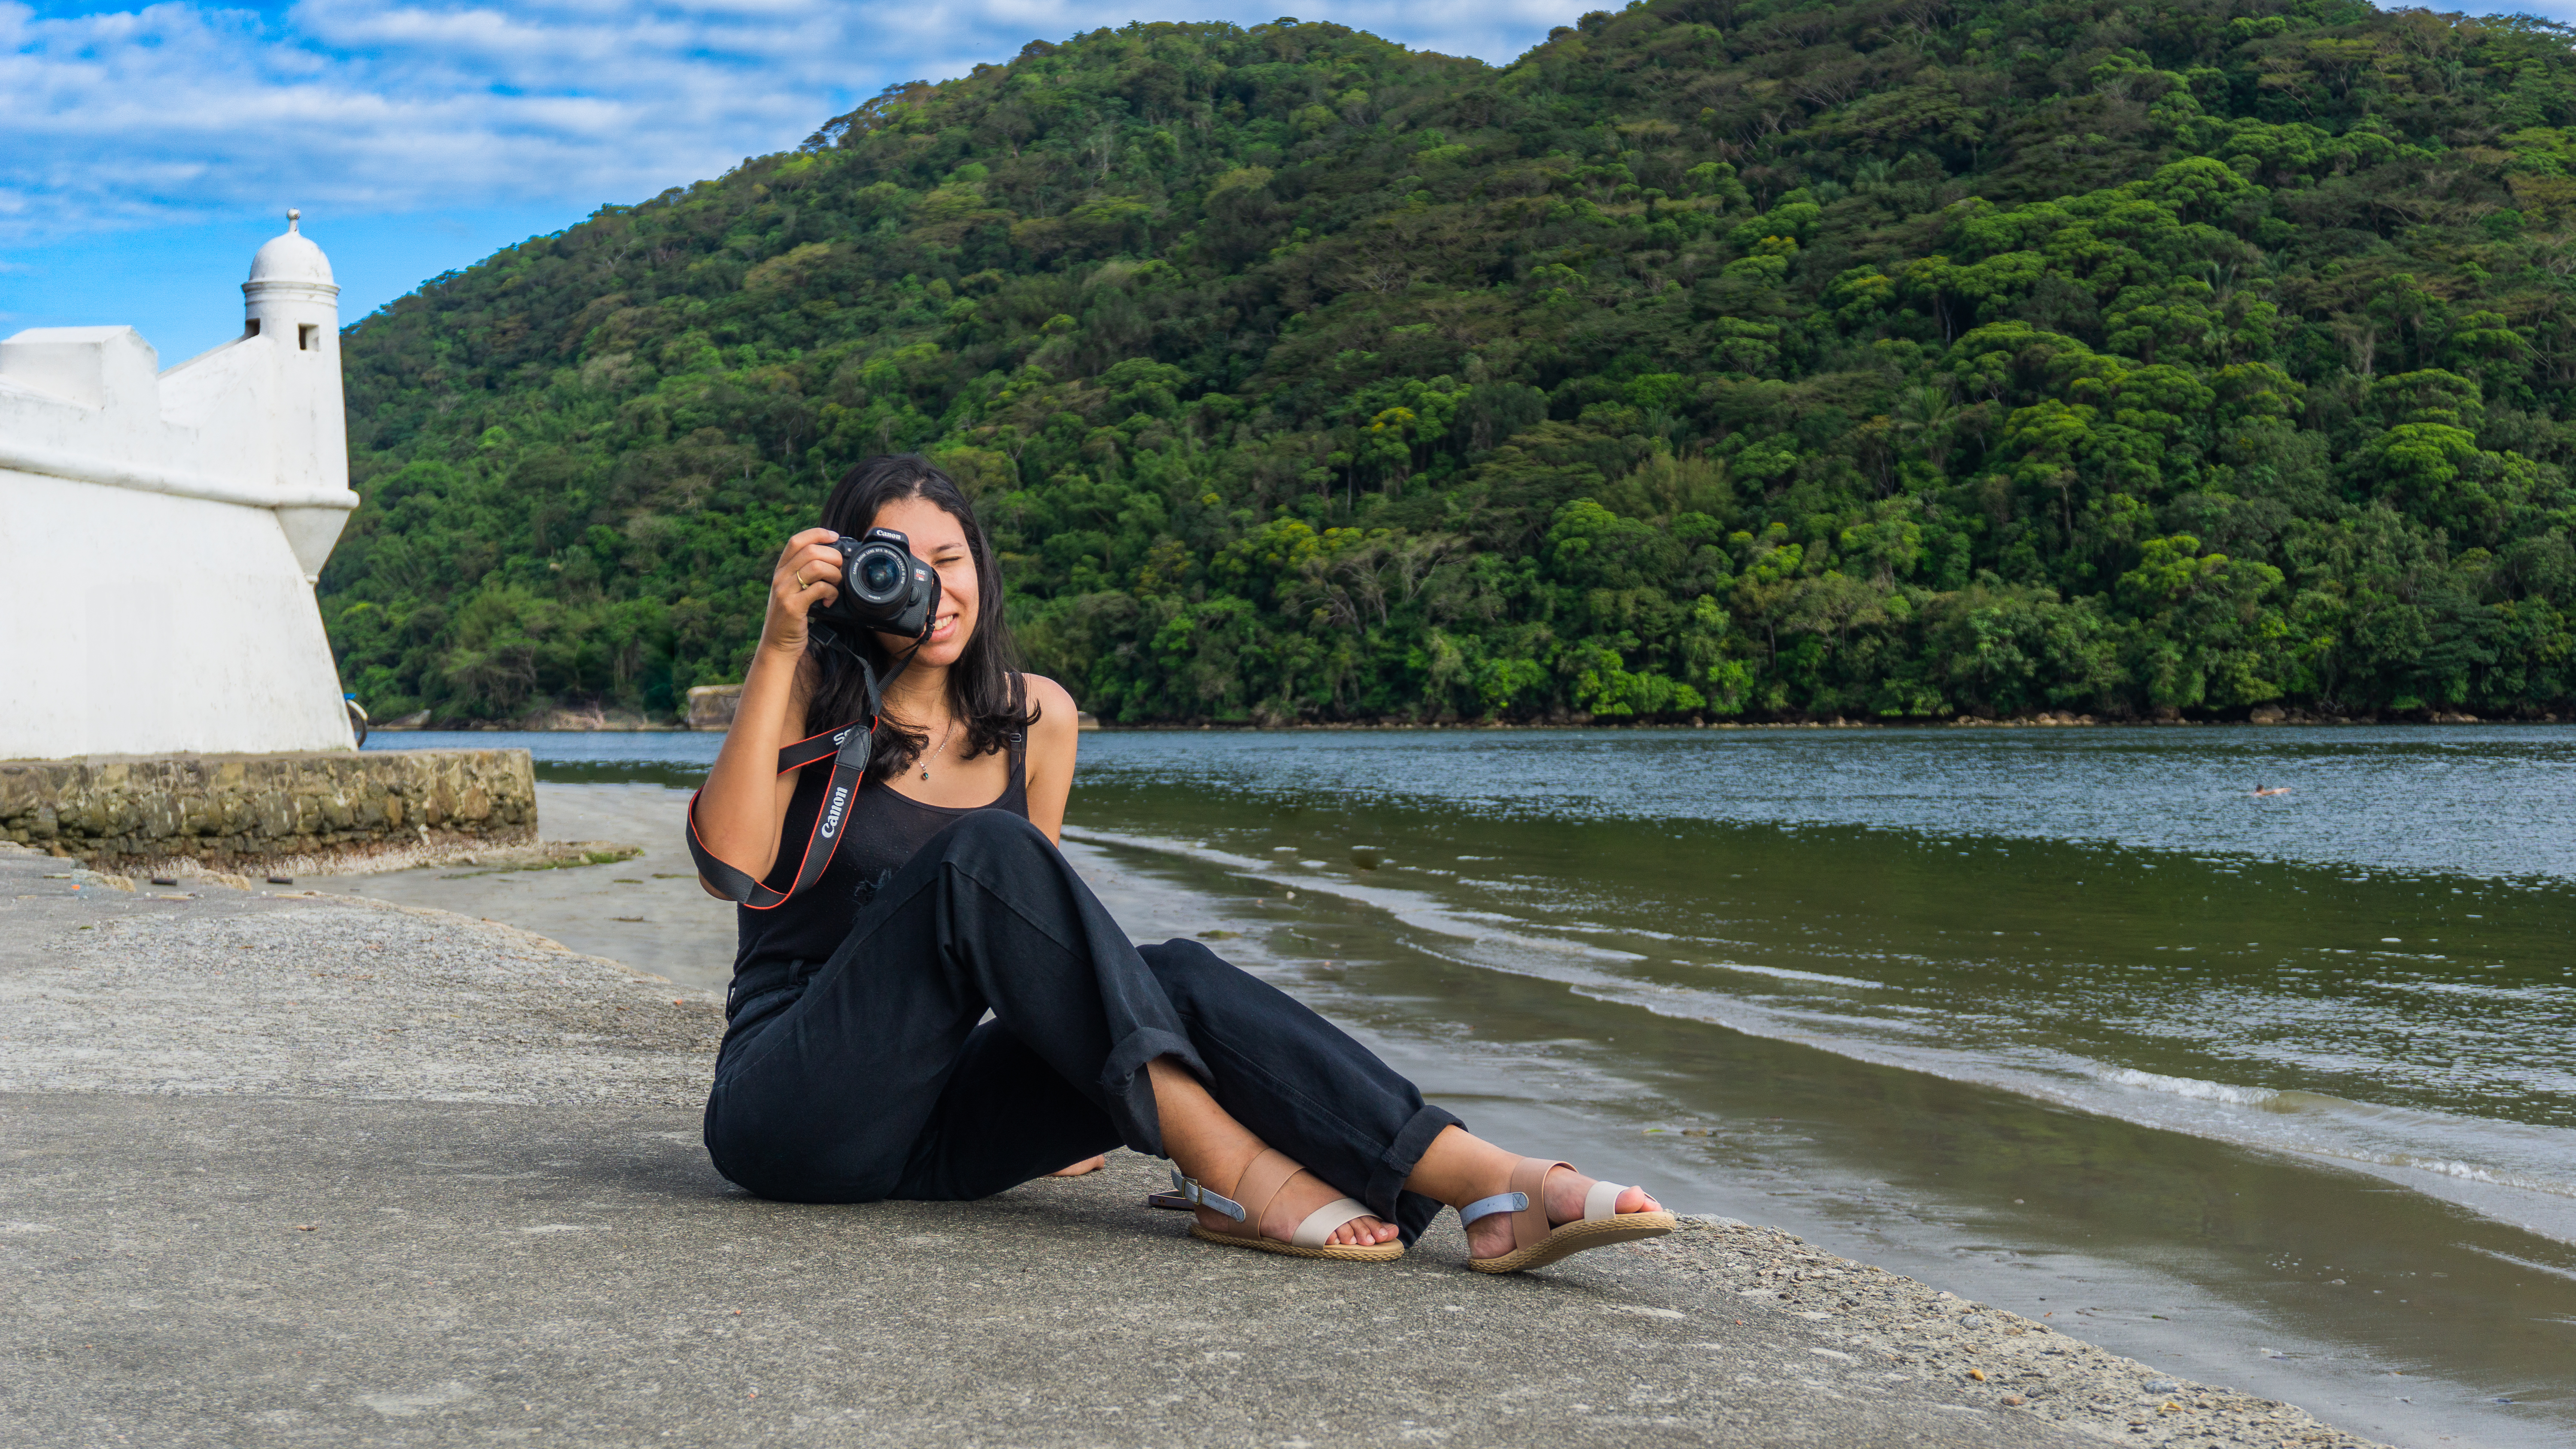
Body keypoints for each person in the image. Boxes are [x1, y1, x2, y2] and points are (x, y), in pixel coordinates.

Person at [688, 455, 1674, 1270]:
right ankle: (1231, 1168)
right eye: (898, 563)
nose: (932, 589)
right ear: (849, 575)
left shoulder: (1039, 716)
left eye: (952, 559)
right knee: (984, 848)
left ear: (982, 566)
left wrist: (1064, 1095)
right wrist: (779, 647)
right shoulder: (810, 689)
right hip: (792, 1107)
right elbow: (727, 867)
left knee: (1177, 973)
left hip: (937, 1122)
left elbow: (1036, 947)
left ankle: (1487, 1185)